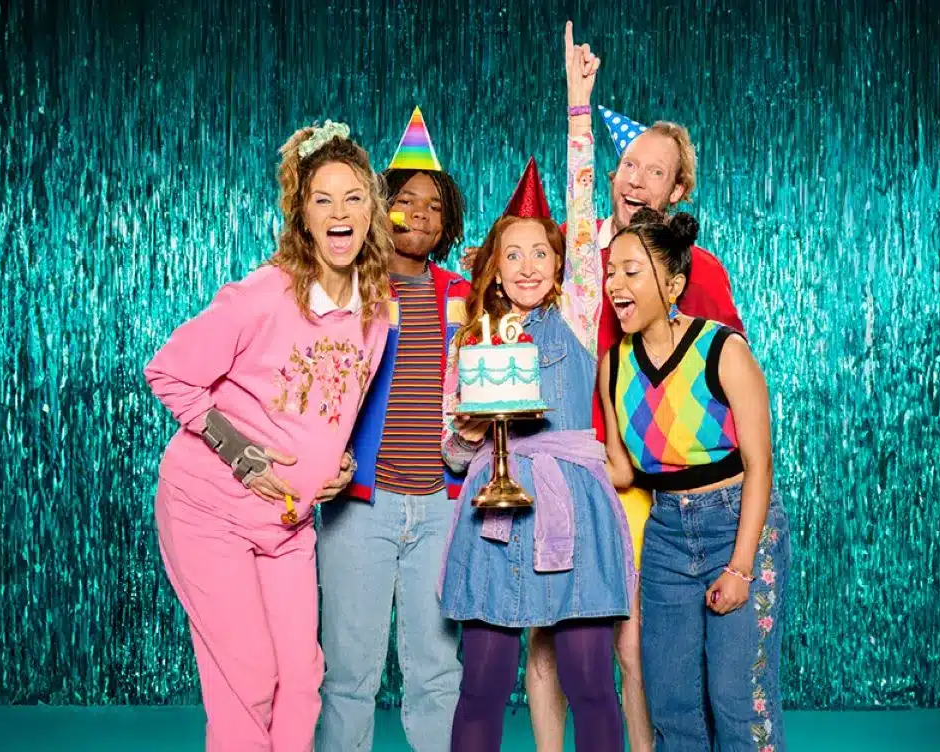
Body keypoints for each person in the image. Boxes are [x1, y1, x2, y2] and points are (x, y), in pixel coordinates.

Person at [522, 27, 746, 752]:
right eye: (629, 164)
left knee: (636, 644)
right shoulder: (581, 252)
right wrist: (577, 107)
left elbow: (726, 384)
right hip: (563, 460)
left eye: (654, 171)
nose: (634, 178)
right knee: (551, 634)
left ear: (678, 193)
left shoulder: (699, 272)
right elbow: (518, 261)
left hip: (644, 482)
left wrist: (735, 492)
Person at [143, 121, 391, 752]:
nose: (340, 213)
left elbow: (337, 409)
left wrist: (336, 464)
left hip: (288, 524)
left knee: (303, 678)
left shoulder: (376, 309)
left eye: (353, 198)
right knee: (249, 676)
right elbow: (168, 372)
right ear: (302, 215)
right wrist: (242, 452)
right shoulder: (264, 294)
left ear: (371, 211)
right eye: (323, 200)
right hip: (209, 511)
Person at [439, 40, 634, 752]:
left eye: (541, 253)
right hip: (492, 513)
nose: (527, 265)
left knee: (589, 681)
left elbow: (582, 212)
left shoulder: (579, 312)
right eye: (512, 253)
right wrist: (463, 432)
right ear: (493, 264)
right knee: (482, 683)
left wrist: (576, 105)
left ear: (561, 264)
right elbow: (452, 455)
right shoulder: (473, 337)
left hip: (571, 506)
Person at [600, 207, 790, 751]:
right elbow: (620, 467)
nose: (615, 283)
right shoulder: (613, 364)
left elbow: (761, 465)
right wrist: (538, 460)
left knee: (737, 698)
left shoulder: (723, 349)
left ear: (674, 283)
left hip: (736, 520)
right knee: (673, 702)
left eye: (631, 271)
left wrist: (740, 566)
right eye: (612, 271)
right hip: (664, 534)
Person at [316, 107, 469, 752]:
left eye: (434, 206)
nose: (421, 215)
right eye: (405, 201)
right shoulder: (350, 285)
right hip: (361, 505)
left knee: (437, 670)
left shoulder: (463, 291)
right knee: (349, 674)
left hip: (439, 504)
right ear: (381, 210)